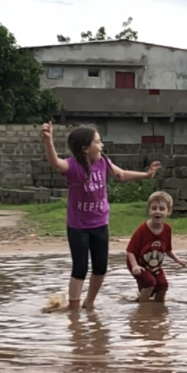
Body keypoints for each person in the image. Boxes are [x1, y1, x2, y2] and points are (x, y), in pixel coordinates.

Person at [42, 122, 160, 311]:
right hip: (78, 226)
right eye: (97, 142)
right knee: (80, 268)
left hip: (99, 223)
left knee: (100, 267)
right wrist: (48, 140)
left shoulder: (103, 162)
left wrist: (146, 175)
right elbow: (55, 162)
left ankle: (89, 303)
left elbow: (121, 175)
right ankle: (74, 309)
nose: (102, 145)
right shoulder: (72, 166)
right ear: (85, 148)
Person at [126, 191, 187, 302]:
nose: (157, 211)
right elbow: (129, 251)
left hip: (154, 264)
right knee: (150, 283)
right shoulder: (142, 229)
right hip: (137, 262)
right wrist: (135, 266)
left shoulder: (167, 229)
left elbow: (167, 250)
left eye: (162, 209)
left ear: (169, 211)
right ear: (149, 211)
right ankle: (142, 307)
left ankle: (158, 307)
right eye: (154, 208)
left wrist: (177, 260)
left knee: (163, 285)